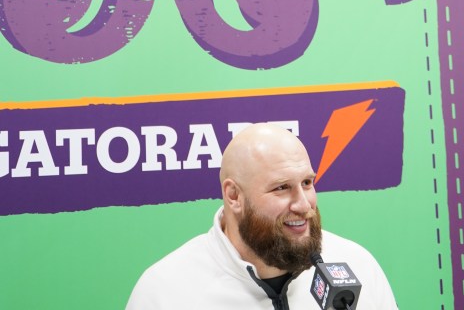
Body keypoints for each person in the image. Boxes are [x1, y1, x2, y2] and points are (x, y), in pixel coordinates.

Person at [125, 123, 399, 309]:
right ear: (234, 196)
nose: (303, 204)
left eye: (307, 183)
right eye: (282, 188)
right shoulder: (164, 292)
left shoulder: (357, 265)